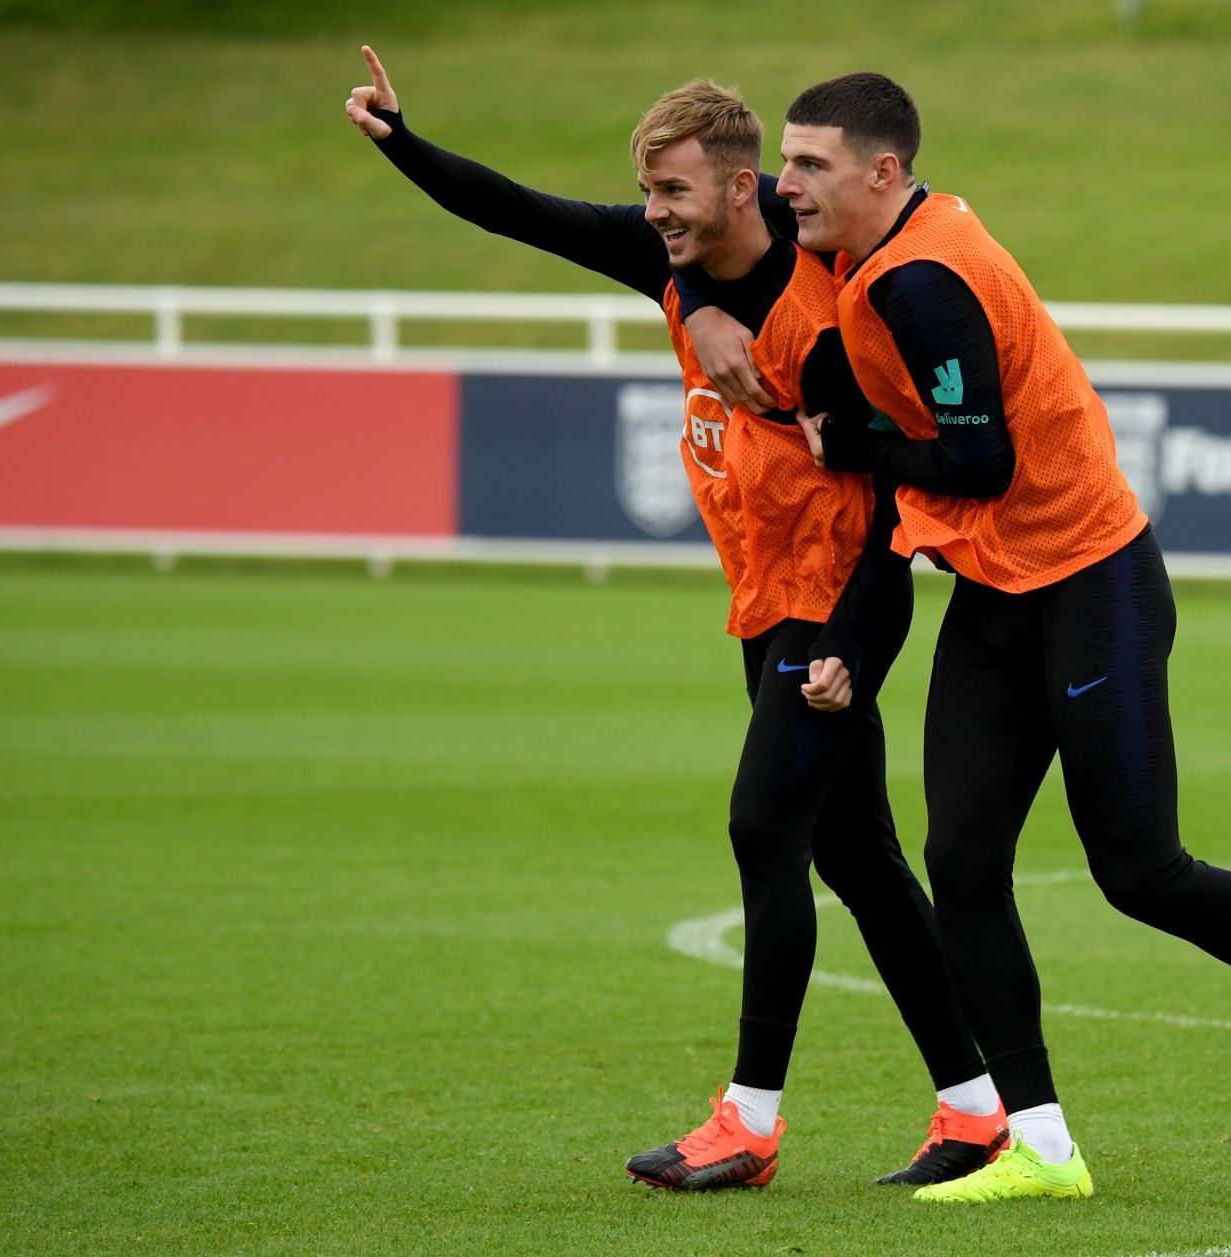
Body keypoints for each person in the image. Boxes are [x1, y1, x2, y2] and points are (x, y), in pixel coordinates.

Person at [675, 72, 1231, 1204]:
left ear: (883, 174)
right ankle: (1039, 1144)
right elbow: (672, 241)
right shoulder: (853, 246)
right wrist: (696, 301)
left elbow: (979, 463)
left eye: (811, 167)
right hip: (995, 587)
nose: (786, 188)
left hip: (1093, 581)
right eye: (784, 164)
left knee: (1142, 871)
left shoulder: (926, 280)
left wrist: (855, 443)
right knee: (962, 861)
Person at [343, 50, 1012, 1191]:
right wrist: (405, 143)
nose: (653, 216)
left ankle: (748, 1123)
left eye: (675, 196)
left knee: (766, 831)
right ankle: (976, 1111)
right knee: (859, 857)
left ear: (744, 189)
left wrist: (854, 642)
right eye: (647, 196)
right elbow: (521, 215)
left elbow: (889, 507)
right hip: (764, 604)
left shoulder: (836, 314)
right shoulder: (676, 265)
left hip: (828, 603)